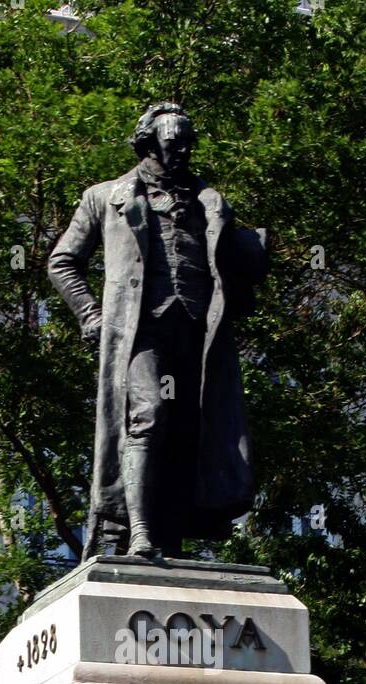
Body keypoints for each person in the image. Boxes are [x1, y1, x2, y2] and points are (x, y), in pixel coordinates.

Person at [47, 101, 267, 559]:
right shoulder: (106, 196)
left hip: (197, 330)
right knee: (147, 416)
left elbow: (234, 265)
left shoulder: (209, 201)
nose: (184, 150)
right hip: (139, 330)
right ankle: (139, 531)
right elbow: (62, 261)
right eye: (174, 141)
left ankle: (170, 532)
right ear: (149, 142)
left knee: (190, 428)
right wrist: (91, 315)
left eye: (189, 142)